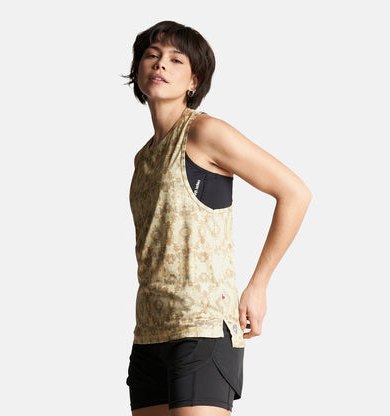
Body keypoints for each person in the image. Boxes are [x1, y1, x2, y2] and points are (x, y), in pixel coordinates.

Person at [121, 20, 312, 416]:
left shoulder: (204, 132)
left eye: (176, 60)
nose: (160, 64)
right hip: (150, 332)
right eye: (152, 55)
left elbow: (294, 193)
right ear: (138, 70)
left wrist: (258, 285)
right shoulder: (143, 158)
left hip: (204, 329)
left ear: (194, 81)